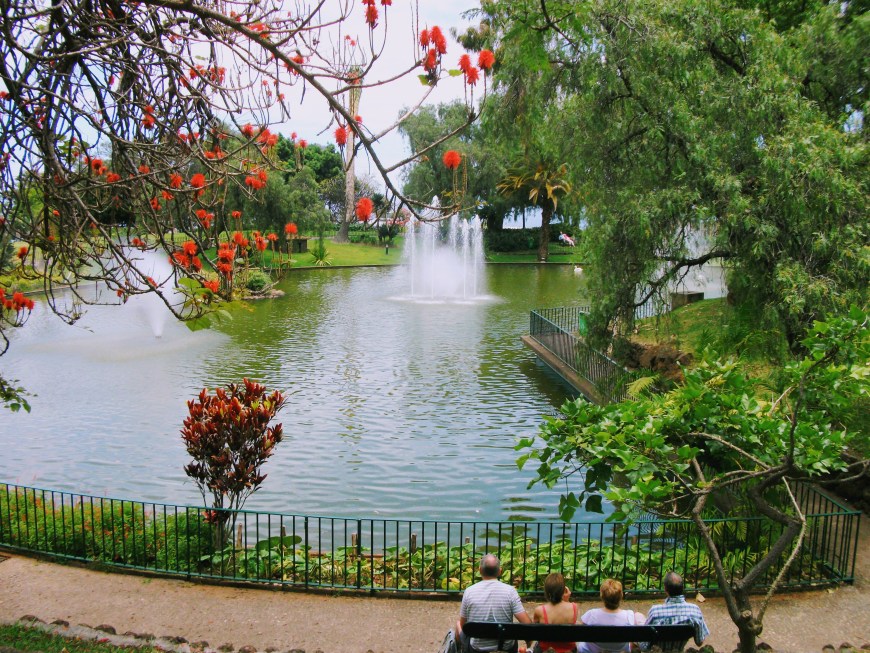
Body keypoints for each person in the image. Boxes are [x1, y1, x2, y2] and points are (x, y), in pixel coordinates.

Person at [447, 554, 531, 653]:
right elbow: (527, 624)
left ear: (480, 570)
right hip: (506, 649)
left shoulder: (469, 591)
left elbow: (463, 625)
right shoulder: (510, 591)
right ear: (500, 571)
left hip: (476, 649)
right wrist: (529, 646)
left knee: (458, 625)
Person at [642, 572, 709, 652]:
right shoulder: (694, 611)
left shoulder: (655, 612)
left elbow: (644, 644)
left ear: (665, 589)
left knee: (638, 617)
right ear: (682, 588)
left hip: (659, 650)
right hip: (678, 650)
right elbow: (699, 641)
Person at [576, 578, 645, 653]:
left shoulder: (591, 614)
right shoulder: (630, 616)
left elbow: (580, 631)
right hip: (620, 651)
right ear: (621, 596)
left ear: (602, 596)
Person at [531, 572, 579, 653]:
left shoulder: (540, 610)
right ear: (563, 590)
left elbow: (535, 629)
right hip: (568, 650)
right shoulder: (574, 607)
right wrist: (567, 600)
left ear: (546, 590)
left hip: (545, 650)